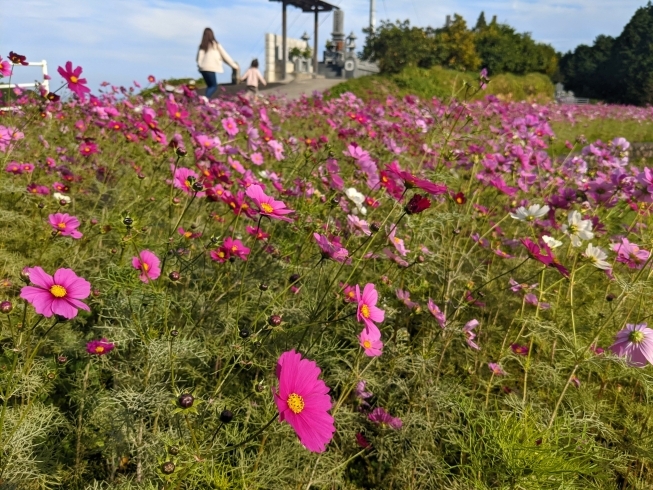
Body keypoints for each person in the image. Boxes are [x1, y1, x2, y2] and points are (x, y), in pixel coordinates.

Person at [196, 27, 239, 100]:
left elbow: (198, 59)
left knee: (210, 86)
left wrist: (201, 66)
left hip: (203, 69)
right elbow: (225, 56)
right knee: (214, 86)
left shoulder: (202, 46)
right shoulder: (215, 45)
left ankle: (205, 100)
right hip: (211, 68)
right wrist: (234, 65)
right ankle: (205, 98)